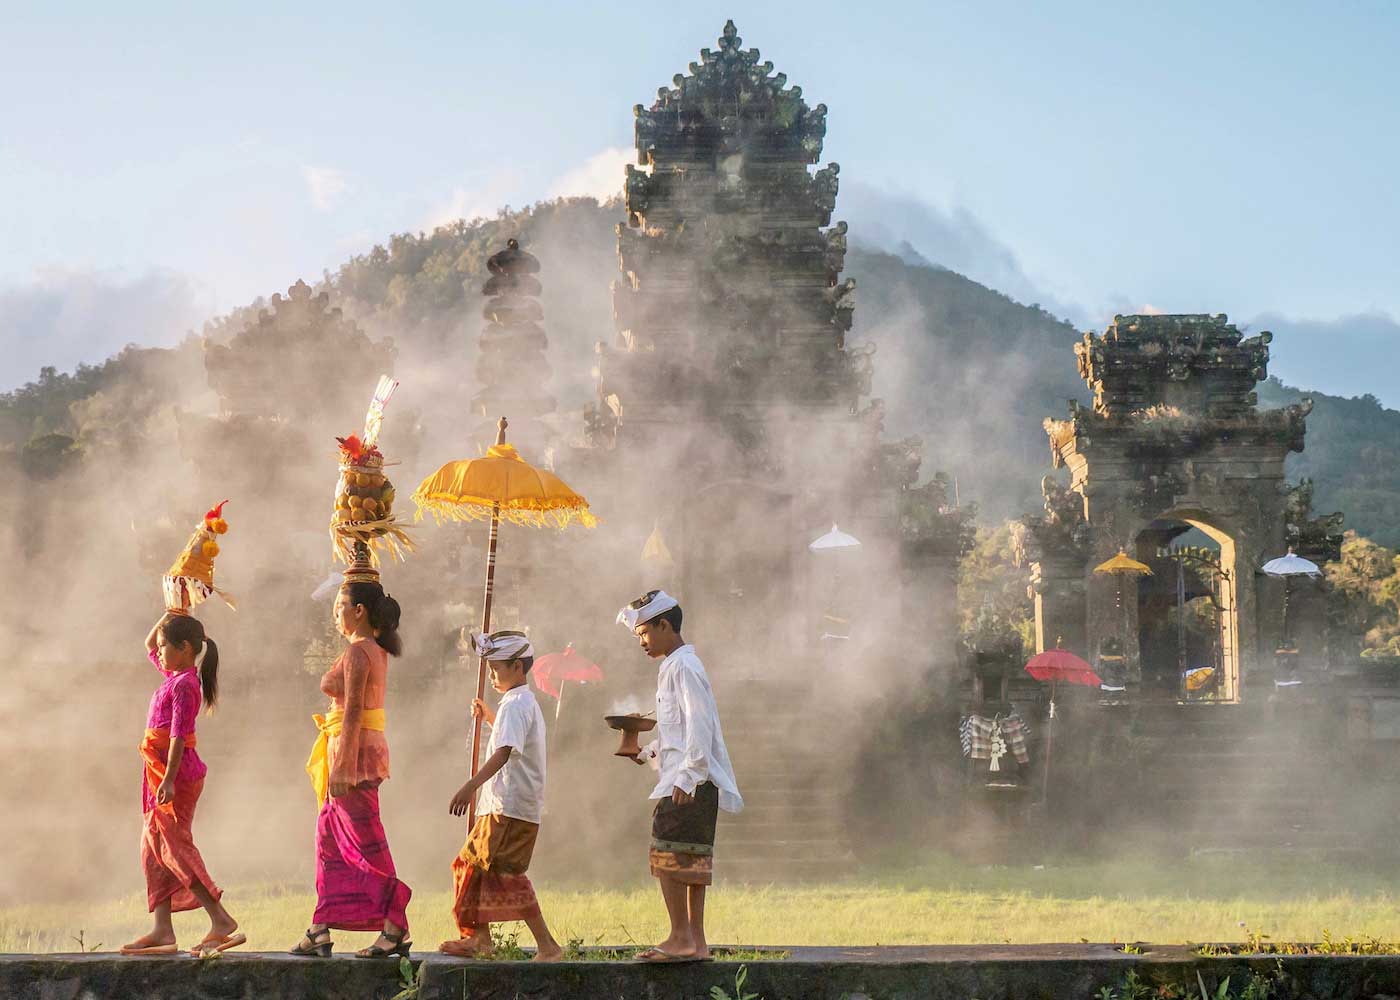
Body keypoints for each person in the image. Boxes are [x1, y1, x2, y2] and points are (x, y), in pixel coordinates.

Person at [616, 589, 742, 963]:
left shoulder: (685, 667)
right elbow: (678, 733)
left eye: (644, 633)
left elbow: (700, 725)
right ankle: (695, 942)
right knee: (690, 860)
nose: (641, 641)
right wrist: (646, 752)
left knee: (667, 853)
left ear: (665, 625)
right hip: (689, 777)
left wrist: (689, 776)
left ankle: (680, 937)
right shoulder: (673, 666)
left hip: (691, 782)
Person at [291, 577, 412, 959]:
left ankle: (395, 924)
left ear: (359, 611)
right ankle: (319, 927)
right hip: (350, 753)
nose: (335, 615)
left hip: (353, 758)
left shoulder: (360, 652)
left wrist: (342, 769)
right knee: (328, 841)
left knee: (364, 842)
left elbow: (354, 711)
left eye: (339, 607)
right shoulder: (369, 649)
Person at [121, 612, 244, 957]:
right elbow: (148, 643)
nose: (158, 652)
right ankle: (162, 928)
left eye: (165, 647)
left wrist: (170, 778)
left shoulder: (186, 685)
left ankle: (220, 918)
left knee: (175, 847)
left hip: (177, 774)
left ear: (185, 648)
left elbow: (178, 736)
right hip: (157, 771)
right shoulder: (173, 676)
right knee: (152, 847)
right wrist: (172, 609)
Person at [440, 630, 562, 961]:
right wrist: (489, 717)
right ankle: (480, 938)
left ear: (518, 667)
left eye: (496, 668)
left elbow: (505, 751)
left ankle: (547, 946)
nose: (492, 675)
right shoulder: (519, 703)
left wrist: (470, 786)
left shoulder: (516, 705)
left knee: (503, 874)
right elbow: (511, 740)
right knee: (474, 866)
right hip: (505, 805)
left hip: (507, 807)